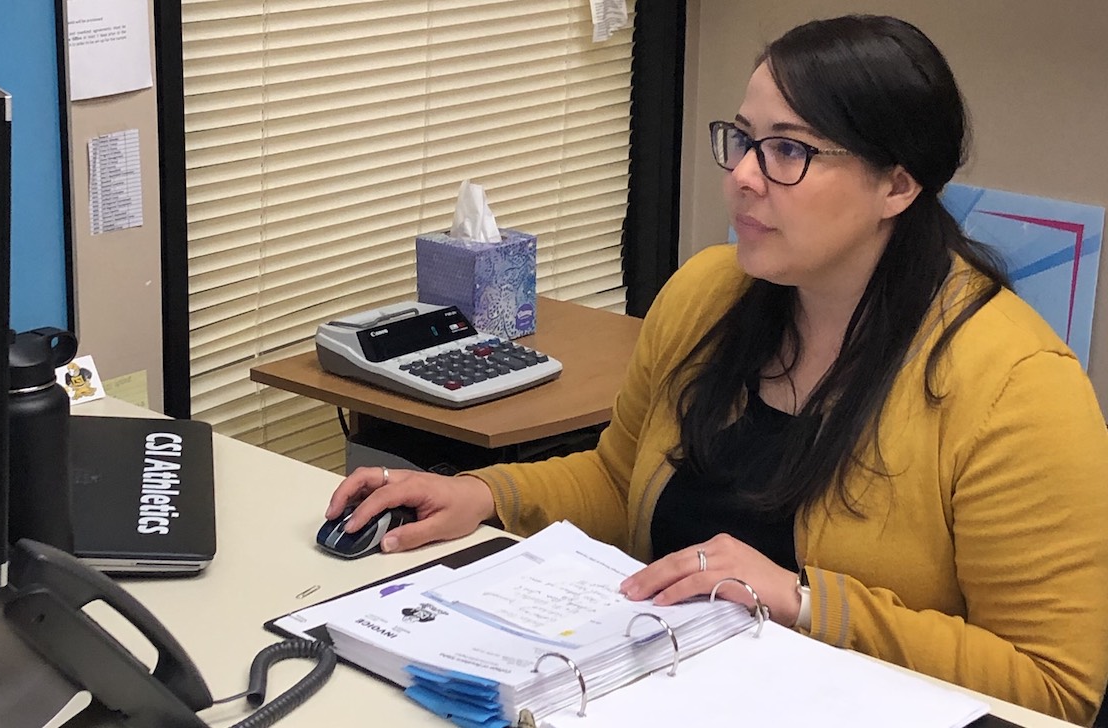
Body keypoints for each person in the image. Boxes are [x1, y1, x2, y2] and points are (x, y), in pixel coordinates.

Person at [326, 14, 1108, 725]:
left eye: (789, 151)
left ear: (897, 184)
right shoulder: (709, 291)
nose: (742, 175)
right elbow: (616, 480)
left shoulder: (1017, 386)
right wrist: (484, 494)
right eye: (743, 139)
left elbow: (1054, 687)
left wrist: (802, 602)